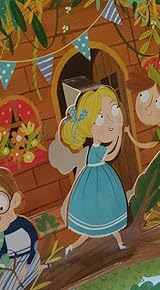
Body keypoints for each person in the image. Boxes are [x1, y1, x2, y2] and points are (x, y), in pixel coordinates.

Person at [58, 86, 128, 256]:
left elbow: (111, 151)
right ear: (90, 127)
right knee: (102, 216)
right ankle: (72, 247)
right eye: (100, 118)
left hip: (97, 178)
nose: (108, 122)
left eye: (113, 109)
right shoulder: (96, 148)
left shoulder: (94, 148)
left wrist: (119, 132)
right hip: (97, 181)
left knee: (105, 219)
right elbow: (111, 153)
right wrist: (119, 134)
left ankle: (119, 243)